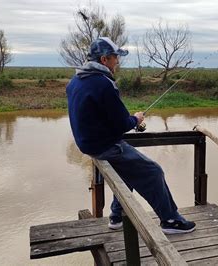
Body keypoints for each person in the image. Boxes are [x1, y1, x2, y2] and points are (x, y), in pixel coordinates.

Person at [66, 37, 196, 234]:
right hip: (106, 147)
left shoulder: (75, 81)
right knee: (153, 172)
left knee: (131, 170)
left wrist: (128, 120)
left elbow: (99, 117)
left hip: (88, 145)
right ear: (104, 60)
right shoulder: (103, 84)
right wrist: (135, 119)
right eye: (115, 57)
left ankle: (116, 217)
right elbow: (121, 125)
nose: (117, 61)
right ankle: (170, 220)